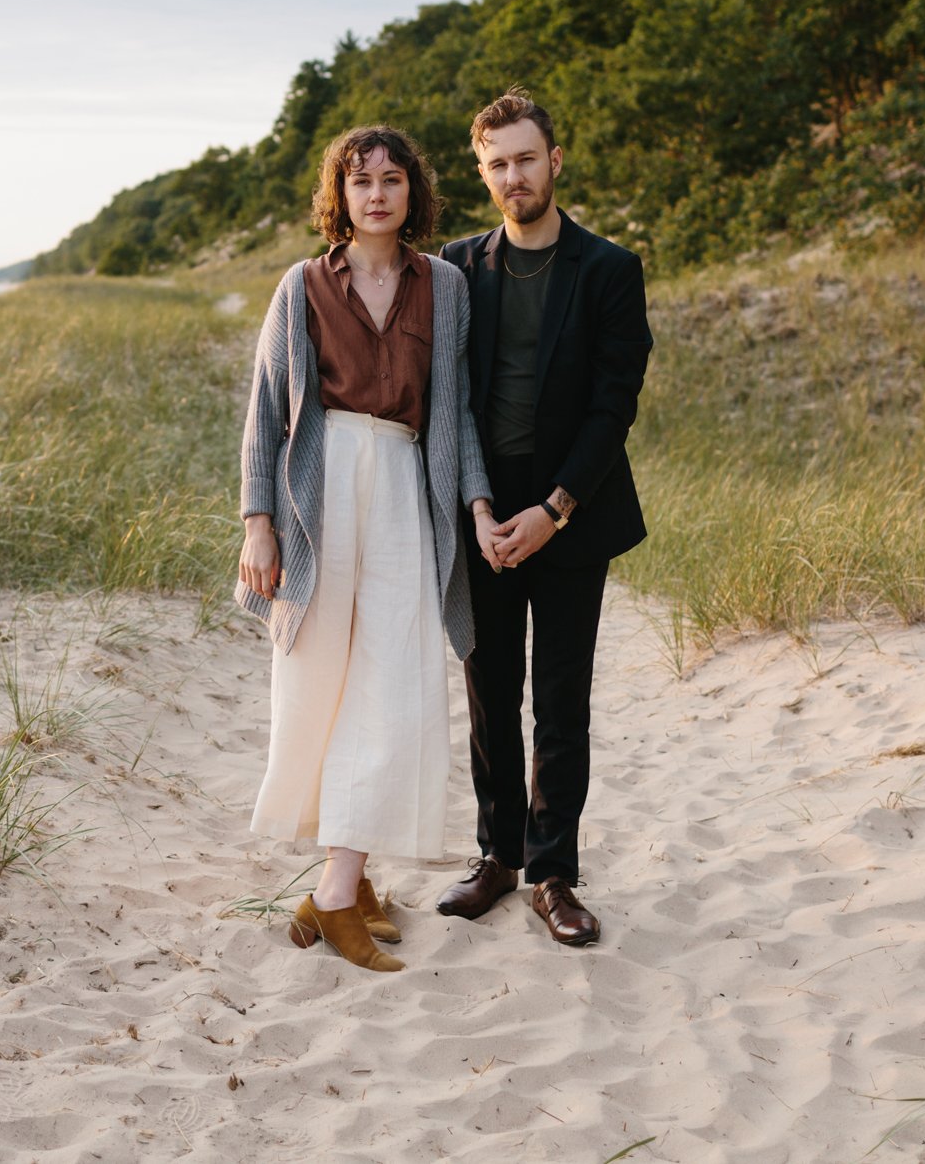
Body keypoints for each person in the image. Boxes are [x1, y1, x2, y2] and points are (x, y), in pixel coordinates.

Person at [237, 124, 495, 973]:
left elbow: (454, 410)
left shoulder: (446, 285)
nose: (377, 193)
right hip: (320, 487)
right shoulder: (302, 283)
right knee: (323, 682)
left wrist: (478, 505)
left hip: (402, 482)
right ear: (339, 196)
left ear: (413, 192)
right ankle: (344, 888)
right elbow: (268, 406)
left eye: (391, 179)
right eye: (360, 181)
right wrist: (259, 521)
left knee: (395, 683)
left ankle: (340, 889)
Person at [437, 90, 653, 946]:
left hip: (574, 507)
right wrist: (483, 506)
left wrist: (554, 510)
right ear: (482, 172)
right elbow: (449, 399)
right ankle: (496, 855)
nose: (513, 176)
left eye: (526, 158)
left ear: (554, 160)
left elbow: (614, 406)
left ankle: (553, 870)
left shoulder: (608, 269)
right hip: (485, 510)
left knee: (560, 700)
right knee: (490, 695)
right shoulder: (457, 267)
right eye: (497, 164)